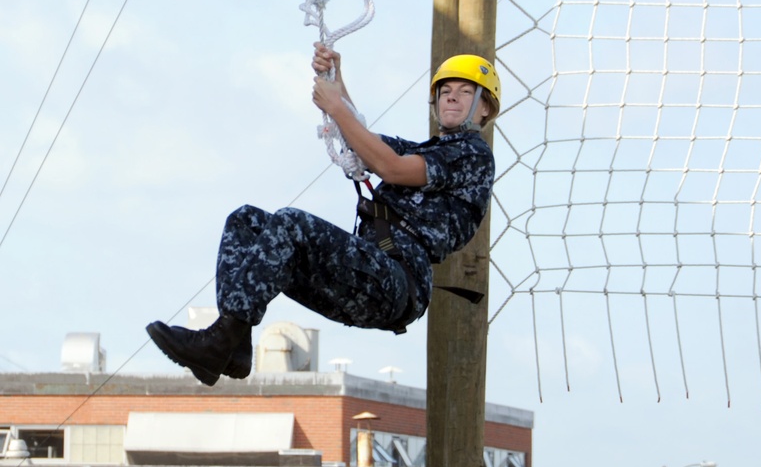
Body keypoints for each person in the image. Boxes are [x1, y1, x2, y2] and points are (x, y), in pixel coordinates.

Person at [147, 46, 499, 386]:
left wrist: (334, 104)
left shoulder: (473, 155)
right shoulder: (430, 150)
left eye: (466, 91)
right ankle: (233, 346)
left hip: (394, 282)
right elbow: (364, 139)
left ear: (485, 108)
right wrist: (336, 78)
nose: (452, 97)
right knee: (246, 222)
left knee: (290, 223)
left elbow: (390, 167)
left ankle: (219, 341)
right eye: (446, 90)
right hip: (363, 276)